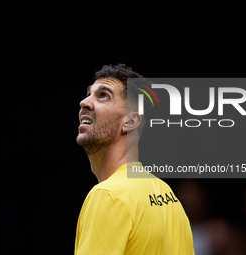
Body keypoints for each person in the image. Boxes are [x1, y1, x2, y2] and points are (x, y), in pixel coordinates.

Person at [75, 64, 194, 254]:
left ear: (130, 122)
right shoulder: (169, 197)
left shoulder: (107, 195)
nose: (84, 102)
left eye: (103, 95)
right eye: (89, 93)